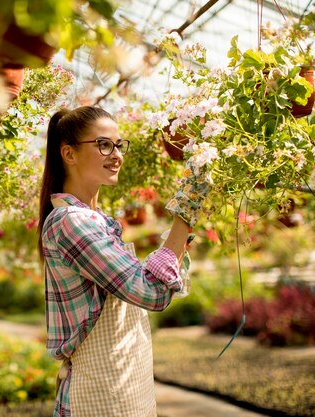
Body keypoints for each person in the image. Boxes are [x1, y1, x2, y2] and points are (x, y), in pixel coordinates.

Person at [38, 106, 211, 417]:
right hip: (99, 394)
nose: (116, 154)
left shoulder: (96, 221)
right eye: (104, 144)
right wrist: (187, 209)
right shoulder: (70, 223)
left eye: (119, 145)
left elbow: (149, 286)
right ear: (69, 154)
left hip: (127, 386)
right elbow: (150, 292)